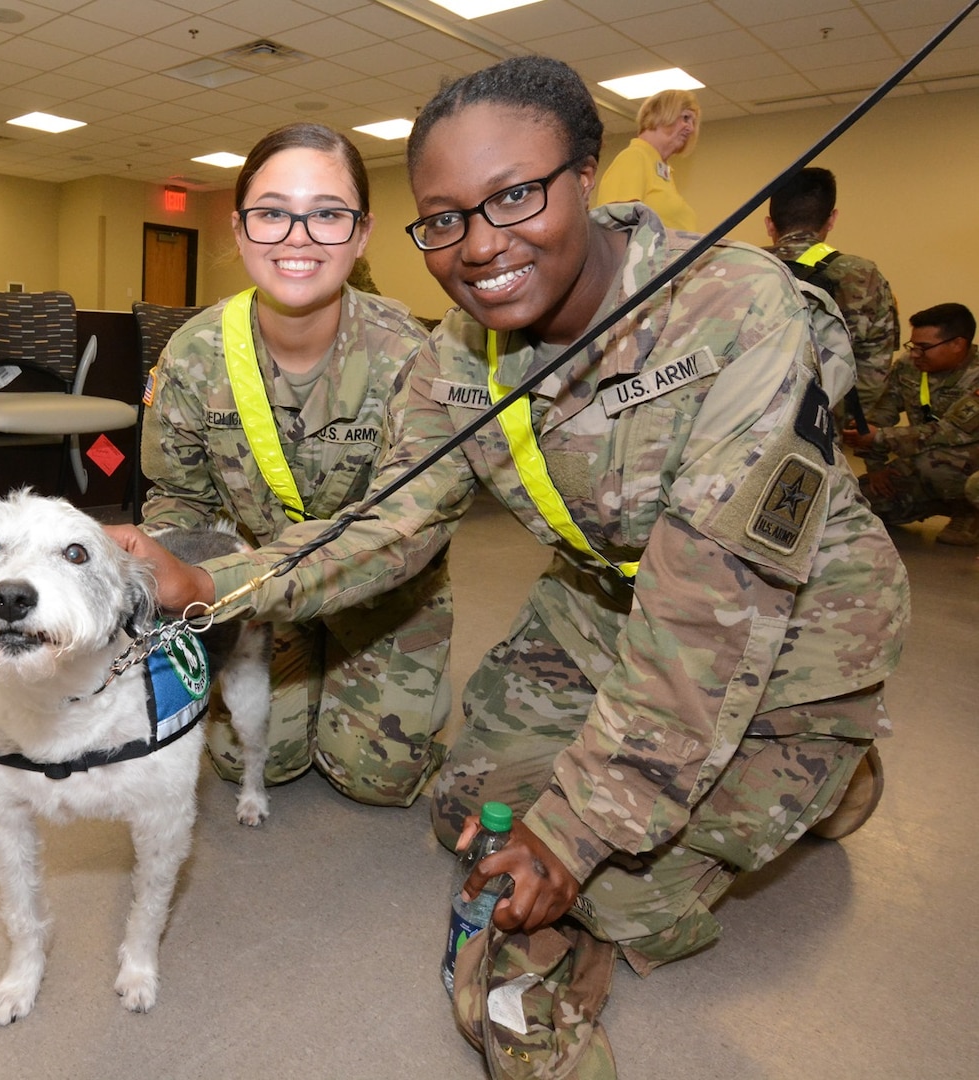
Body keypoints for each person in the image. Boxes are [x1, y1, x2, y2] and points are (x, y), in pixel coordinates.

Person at [110, 58, 908, 1072]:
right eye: (442, 218)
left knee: (608, 882)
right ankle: (645, 771)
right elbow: (392, 520)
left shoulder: (736, 315)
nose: (479, 245)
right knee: (464, 814)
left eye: (514, 196)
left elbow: (708, 617)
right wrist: (214, 584)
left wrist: (573, 835)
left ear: (585, 175)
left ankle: (830, 773)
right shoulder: (460, 356)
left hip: (783, 631)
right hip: (600, 606)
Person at [137, 122, 454, 807]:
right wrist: (179, 582)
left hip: (381, 595)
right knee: (252, 762)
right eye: (273, 212)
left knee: (376, 780)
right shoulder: (194, 356)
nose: (297, 237)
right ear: (241, 228)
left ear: (362, 232)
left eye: (327, 215)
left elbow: (410, 529)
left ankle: (385, 687)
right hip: (252, 594)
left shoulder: (412, 355)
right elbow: (177, 499)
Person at [765, 166, 900, 419]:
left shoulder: (740, 268)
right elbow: (873, 371)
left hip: (743, 424)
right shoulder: (863, 276)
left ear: (769, 224)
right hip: (819, 424)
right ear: (832, 219)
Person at [842, 302, 979, 546]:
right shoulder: (910, 366)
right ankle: (941, 501)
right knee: (864, 498)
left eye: (924, 348)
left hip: (962, 464)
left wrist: (879, 437)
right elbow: (883, 412)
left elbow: (949, 432)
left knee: (933, 463)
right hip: (927, 458)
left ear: (958, 344)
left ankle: (969, 513)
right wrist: (875, 466)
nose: (915, 353)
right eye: (913, 346)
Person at [596, 88, 699, 230]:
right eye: (686, 118)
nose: (691, 128)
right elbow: (618, 229)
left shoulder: (661, 170)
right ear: (660, 114)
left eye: (693, 122)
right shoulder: (634, 157)